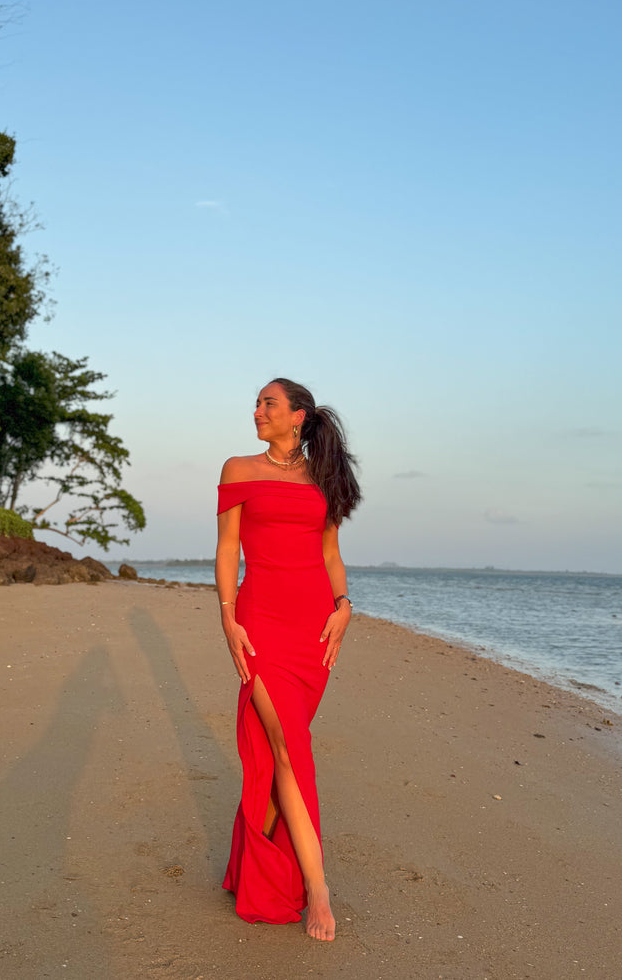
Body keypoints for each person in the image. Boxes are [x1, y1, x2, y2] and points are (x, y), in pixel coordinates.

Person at [215, 377, 361, 941]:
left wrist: (345, 605)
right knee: (289, 748)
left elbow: (331, 555)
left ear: (298, 415)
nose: (256, 411)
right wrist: (228, 617)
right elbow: (229, 548)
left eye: (267, 403)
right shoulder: (237, 469)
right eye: (255, 403)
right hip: (261, 624)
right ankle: (317, 890)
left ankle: (253, 868)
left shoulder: (323, 477)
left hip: (314, 630)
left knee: (279, 755)